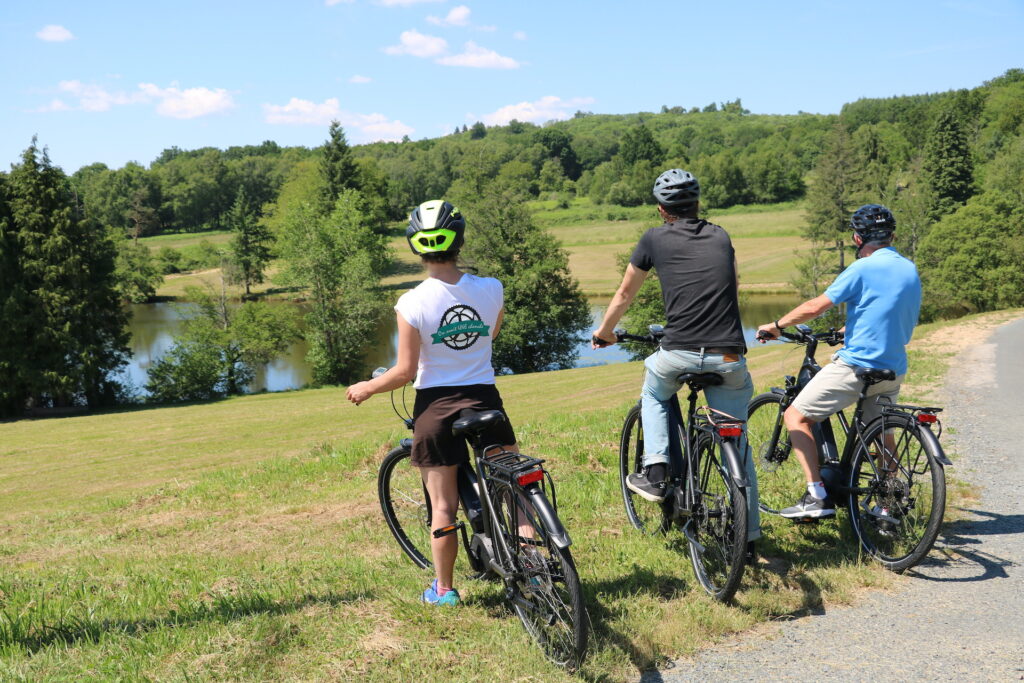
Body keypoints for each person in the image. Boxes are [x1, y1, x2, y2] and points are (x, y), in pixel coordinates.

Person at [346, 199, 516, 606]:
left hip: (437, 408)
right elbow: (489, 334)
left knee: (443, 507)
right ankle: (530, 556)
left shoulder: (412, 302)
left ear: (415, 246)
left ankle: (444, 591)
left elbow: (405, 371)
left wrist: (367, 388)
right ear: (459, 239)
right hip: (485, 398)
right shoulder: (492, 288)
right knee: (513, 489)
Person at [592, 168, 760, 552]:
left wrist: (604, 333)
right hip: (729, 355)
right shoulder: (721, 235)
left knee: (654, 391)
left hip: (678, 350)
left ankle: (655, 470)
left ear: (661, 210)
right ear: (697, 204)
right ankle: (748, 537)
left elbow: (622, 295)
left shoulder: (653, 238)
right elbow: (732, 285)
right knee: (737, 443)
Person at [756, 204, 921, 519]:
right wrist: (847, 331)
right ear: (893, 236)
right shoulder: (909, 268)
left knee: (796, 417)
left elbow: (816, 306)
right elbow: (890, 312)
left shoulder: (862, 268)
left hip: (857, 367)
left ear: (858, 239)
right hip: (893, 367)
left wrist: (776, 326)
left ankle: (816, 496)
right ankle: (889, 502)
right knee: (880, 432)